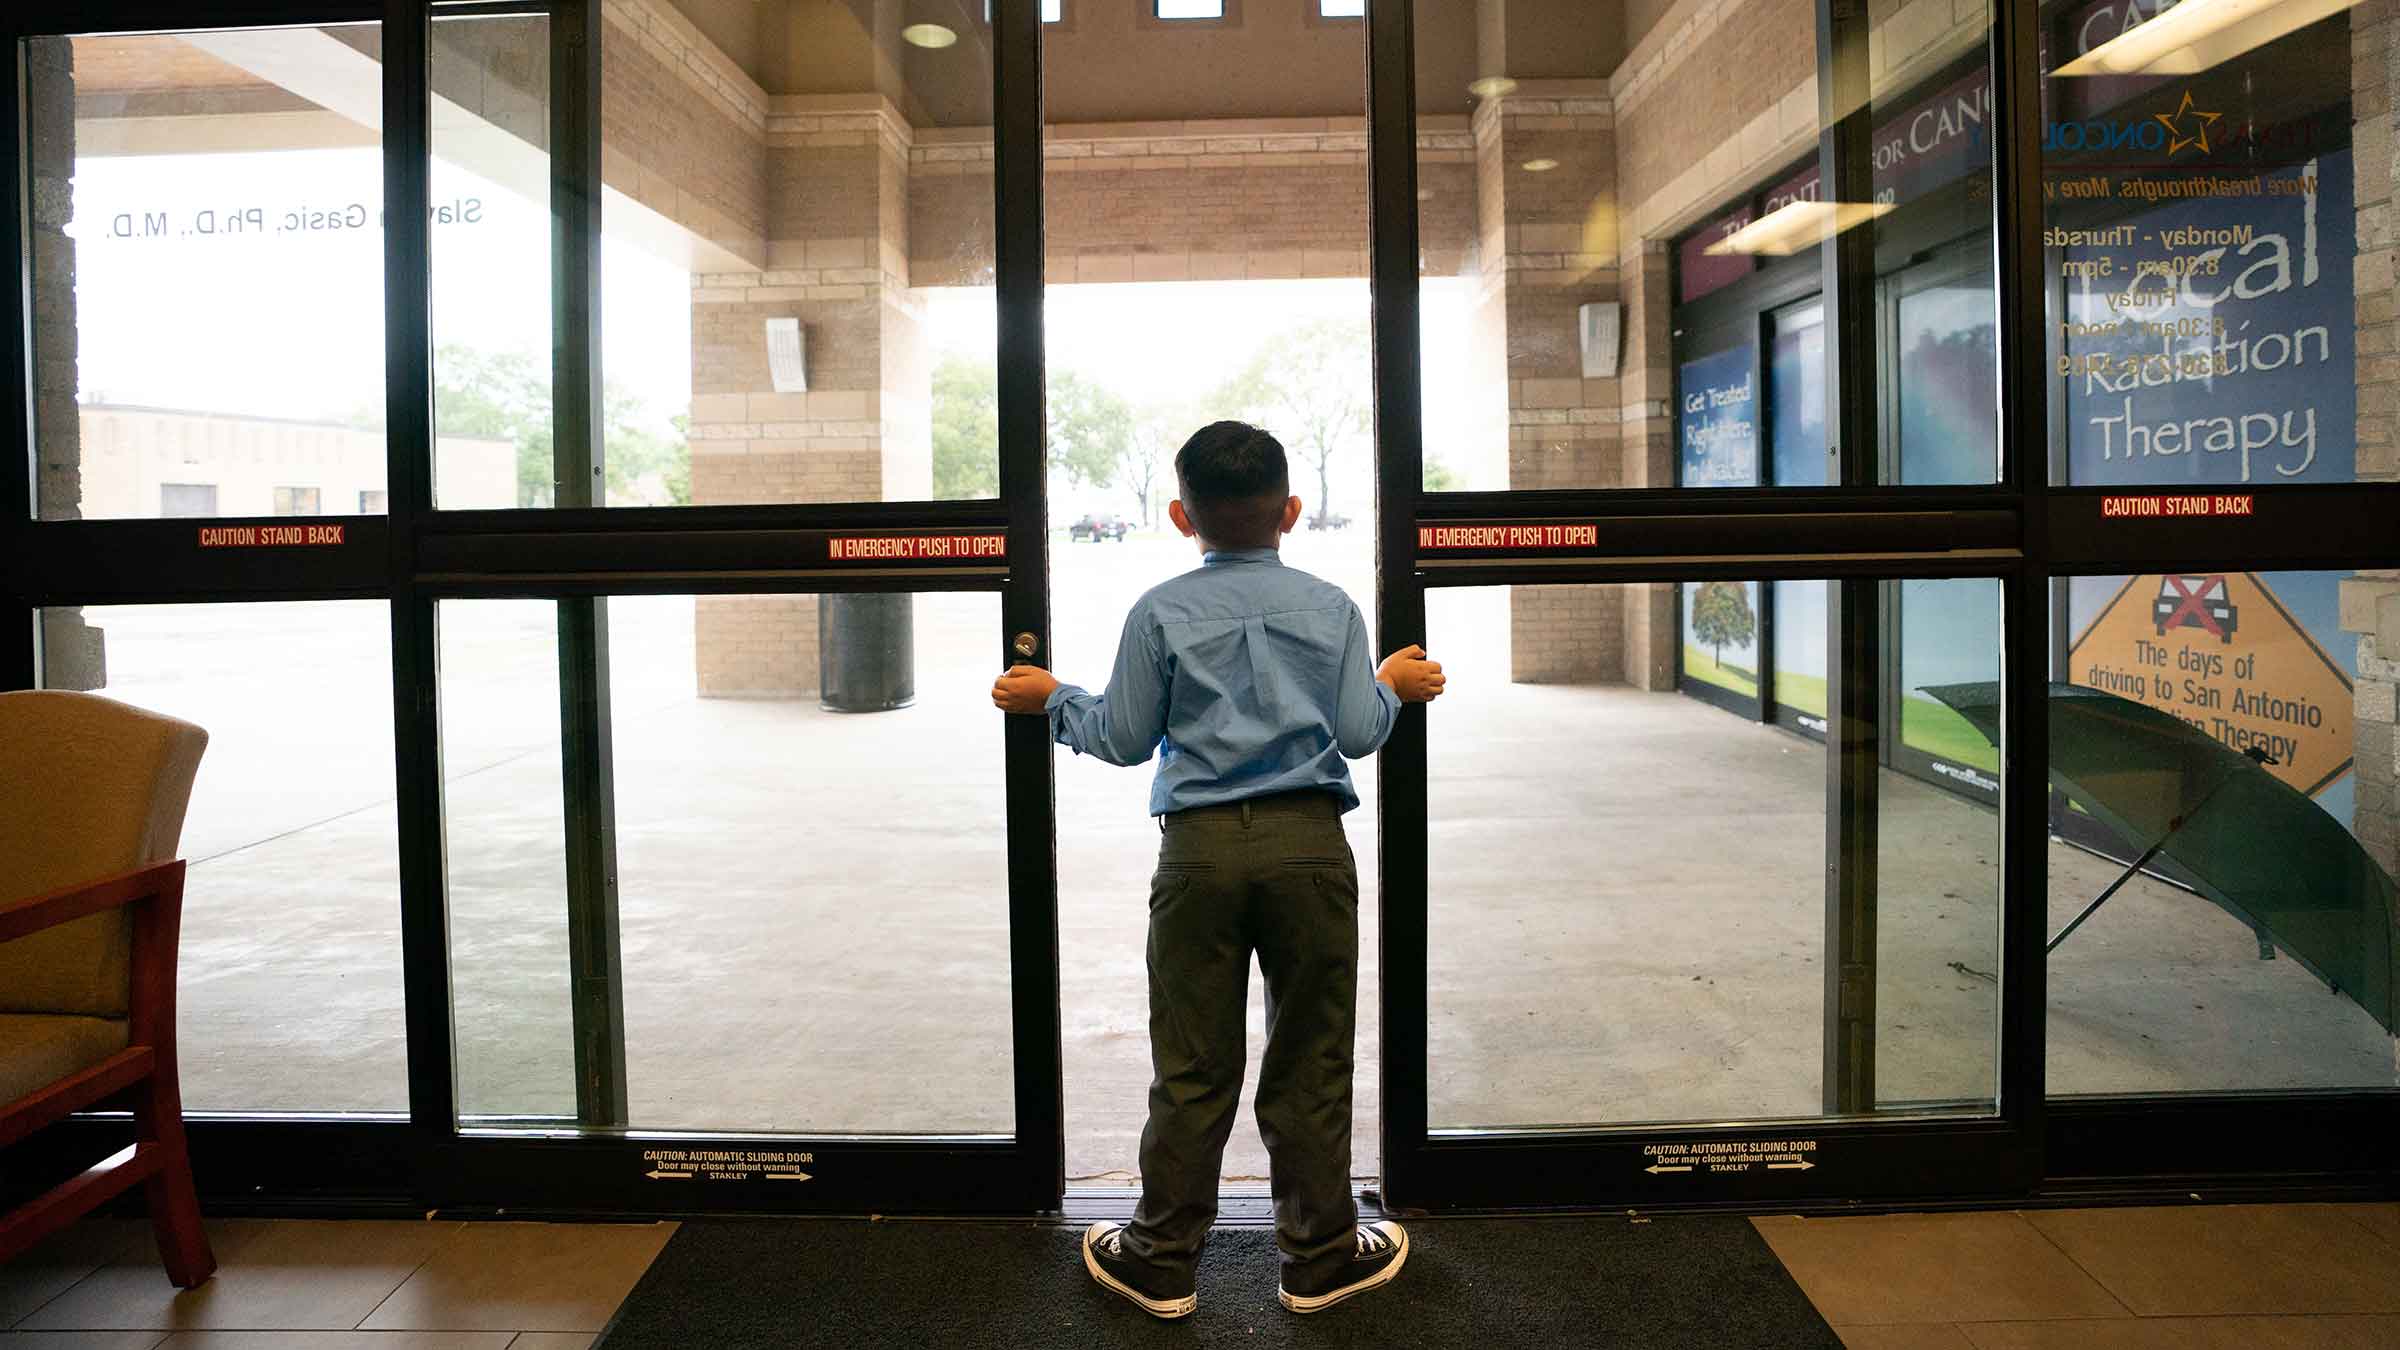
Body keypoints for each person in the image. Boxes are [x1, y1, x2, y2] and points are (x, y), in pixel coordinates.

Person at [990, 420, 1446, 1319]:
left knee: (1192, 1064)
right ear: (1291, 510)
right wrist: (1392, 683)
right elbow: (1360, 733)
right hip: (1311, 850)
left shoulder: (1160, 610)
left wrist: (1053, 699)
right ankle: (1318, 1258)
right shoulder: (1331, 606)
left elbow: (1121, 738)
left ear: (1178, 515)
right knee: (1311, 1056)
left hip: (1195, 857)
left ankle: (1160, 1260)